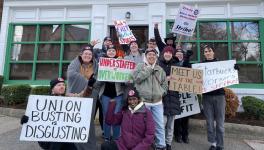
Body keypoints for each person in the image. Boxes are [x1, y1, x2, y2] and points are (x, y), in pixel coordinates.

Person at [20, 78, 77, 150]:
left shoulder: (70, 101)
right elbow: (35, 117)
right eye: (59, 85)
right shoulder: (43, 102)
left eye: (63, 85)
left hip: (65, 137)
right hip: (48, 139)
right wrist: (25, 120)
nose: (62, 87)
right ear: (52, 89)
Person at [132, 48, 168, 150]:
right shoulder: (140, 66)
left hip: (157, 102)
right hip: (144, 102)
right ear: (145, 56)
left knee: (159, 125)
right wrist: (148, 69)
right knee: (142, 125)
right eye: (149, 55)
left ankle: (161, 145)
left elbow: (165, 85)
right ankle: (143, 145)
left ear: (156, 57)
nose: (151, 56)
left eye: (153, 55)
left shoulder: (160, 69)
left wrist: (161, 92)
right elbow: (136, 79)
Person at [66, 44, 98, 150]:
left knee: (88, 119)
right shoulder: (75, 64)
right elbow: (71, 75)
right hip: (75, 94)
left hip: (91, 95)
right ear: (81, 54)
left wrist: (93, 84)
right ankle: (74, 144)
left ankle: (89, 144)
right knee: (75, 118)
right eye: (86, 54)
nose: (88, 55)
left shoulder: (95, 65)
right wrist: (88, 82)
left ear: (92, 56)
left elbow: (99, 78)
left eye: (90, 54)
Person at [96, 45, 124, 141]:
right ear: (106, 52)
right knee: (106, 115)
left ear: (115, 53)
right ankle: (107, 137)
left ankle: (117, 137)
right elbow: (98, 78)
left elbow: (125, 78)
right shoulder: (102, 63)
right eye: (109, 51)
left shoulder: (121, 62)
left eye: (113, 51)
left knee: (116, 115)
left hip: (118, 94)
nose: (111, 52)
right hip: (105, 94)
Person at [202, 45, 226, 150]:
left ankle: (220, 145)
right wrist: (187, 58)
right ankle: (213, 143)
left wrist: (235, 68)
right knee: (210, 123)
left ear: (213, 52)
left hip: (219, 96)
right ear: (204, 53)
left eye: (209, 51)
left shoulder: (221, 64)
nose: (207, 53)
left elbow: (230, 73)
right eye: (205, 51)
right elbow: (188, 70)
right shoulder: (200, 65)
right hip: (207, 97)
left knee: (220, 123)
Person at [158, 46, 181, 150]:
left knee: (171, 124)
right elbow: (153, 80)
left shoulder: (177, 66)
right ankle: (160, 143)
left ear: (172, 55)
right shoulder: (158, 65)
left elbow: (184, 79)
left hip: (174, 97)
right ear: (163, 53)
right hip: (161, 98)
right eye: (166, 52)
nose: (168, 54)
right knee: (161, 123)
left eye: (170, 53)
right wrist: (165, 79)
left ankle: (168, 143)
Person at [173, 47, 192, 144]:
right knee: (177, 117)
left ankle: (185, 135)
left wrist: (187, 58)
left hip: (186, 93)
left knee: (186, 116)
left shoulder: (187, 63)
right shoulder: (172, 63)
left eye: (181, 53)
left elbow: (190, 71)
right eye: (177, 53)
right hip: (175, 92)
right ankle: (177, 135)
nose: (179, 55)